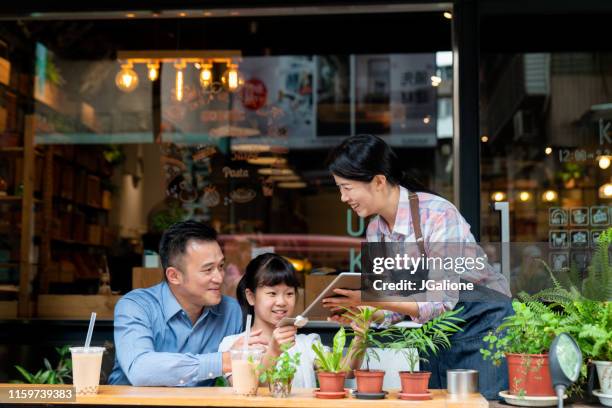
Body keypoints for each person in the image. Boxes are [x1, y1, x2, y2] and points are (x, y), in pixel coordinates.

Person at [321, 134, 513, 400]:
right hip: (434, 335)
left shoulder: (437, 214)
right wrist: (363, 313)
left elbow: (439, 301)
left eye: (347, 187)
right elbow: (396, 308)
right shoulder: (376, 231)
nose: (343, 198)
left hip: (483, 326)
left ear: (378, 181)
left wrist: (371, 299)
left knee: (482, 404)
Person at [108, 220, 266, 386]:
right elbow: (140, 369)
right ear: (174, 276)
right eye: (208, 269)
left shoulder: (231, 311)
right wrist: (224, 360)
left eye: (221, 266)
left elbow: (245, 376)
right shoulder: (136, 306)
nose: (219, 278)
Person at [218, 253, 364, 388]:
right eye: (272, 293)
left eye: (289, 293)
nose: (281, 302)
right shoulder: (233, 346)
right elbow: (249, 389)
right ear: (251, 296)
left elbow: (344, 373)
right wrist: (274, 351)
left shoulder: (307, 344)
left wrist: (360, 336)